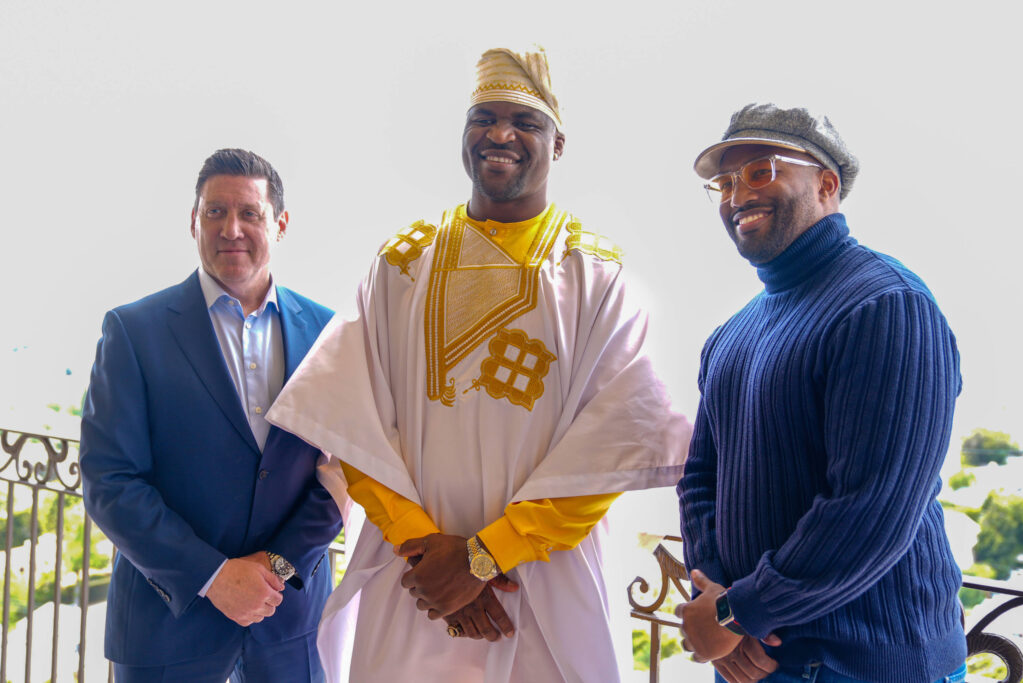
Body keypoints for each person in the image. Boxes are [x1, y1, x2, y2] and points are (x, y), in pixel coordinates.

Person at [267, 46, 690, 681]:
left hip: (541, 586)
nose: (500, 134)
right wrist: (427, 555)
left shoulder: (598, 280)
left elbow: (612, 448)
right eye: (483, 117)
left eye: (525, 121)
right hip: (415, 585)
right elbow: (350, 424)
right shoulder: (400, 265)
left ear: (559, 144)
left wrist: (484, 558)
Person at [676, 103, 967, 683]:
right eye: (726, 182)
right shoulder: (730, 335)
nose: (737, 196)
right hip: (754, 663)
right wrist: (718, 602)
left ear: (827, 184)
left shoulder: (885, 305)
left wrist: (737, 614)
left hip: (869, 666)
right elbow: (701, 479)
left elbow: (871, 505)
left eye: (761, 171)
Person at [80, 148, 344, 682]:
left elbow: (342, 470)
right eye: (215, 212)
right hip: (167, 623)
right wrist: (213, 576)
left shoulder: (327, 333)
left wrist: (277, 568)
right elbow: (110, 479)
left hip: (290, 620)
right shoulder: (134, 331)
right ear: (193, 221)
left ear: (280, 224)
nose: (232, 229)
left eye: (250, 213)